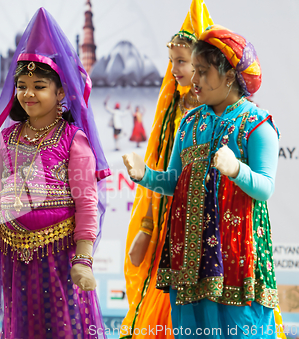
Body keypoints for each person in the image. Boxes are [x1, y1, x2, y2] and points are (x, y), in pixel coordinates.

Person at [0, 8, 110, 339]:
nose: (28, 94)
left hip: (61, 260)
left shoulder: (72, 139)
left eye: (39, 86)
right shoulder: (6, 138)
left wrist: (83, 261)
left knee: (64, 331)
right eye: (22, 85)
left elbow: (87, 203)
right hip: (14, 259)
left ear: (61, 92)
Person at [123, 24, 282, 338]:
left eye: (203, 71)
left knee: (238, 327)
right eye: (193, 70)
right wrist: (145, 176)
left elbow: (266, 187)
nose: (193, 80)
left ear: (229, 76)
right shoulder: (190, 122)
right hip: (188, 254)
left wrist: (237, 169)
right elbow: (173, 181)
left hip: (236, 255)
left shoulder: (256, 124)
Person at [120, 1, 209, 337]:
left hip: (210, 209)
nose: (175, 70)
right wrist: (146, 224)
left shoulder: (221, 110)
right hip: (171, 211)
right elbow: (159, 165)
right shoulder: (172, 106)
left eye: (182, 62)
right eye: (172, 62)